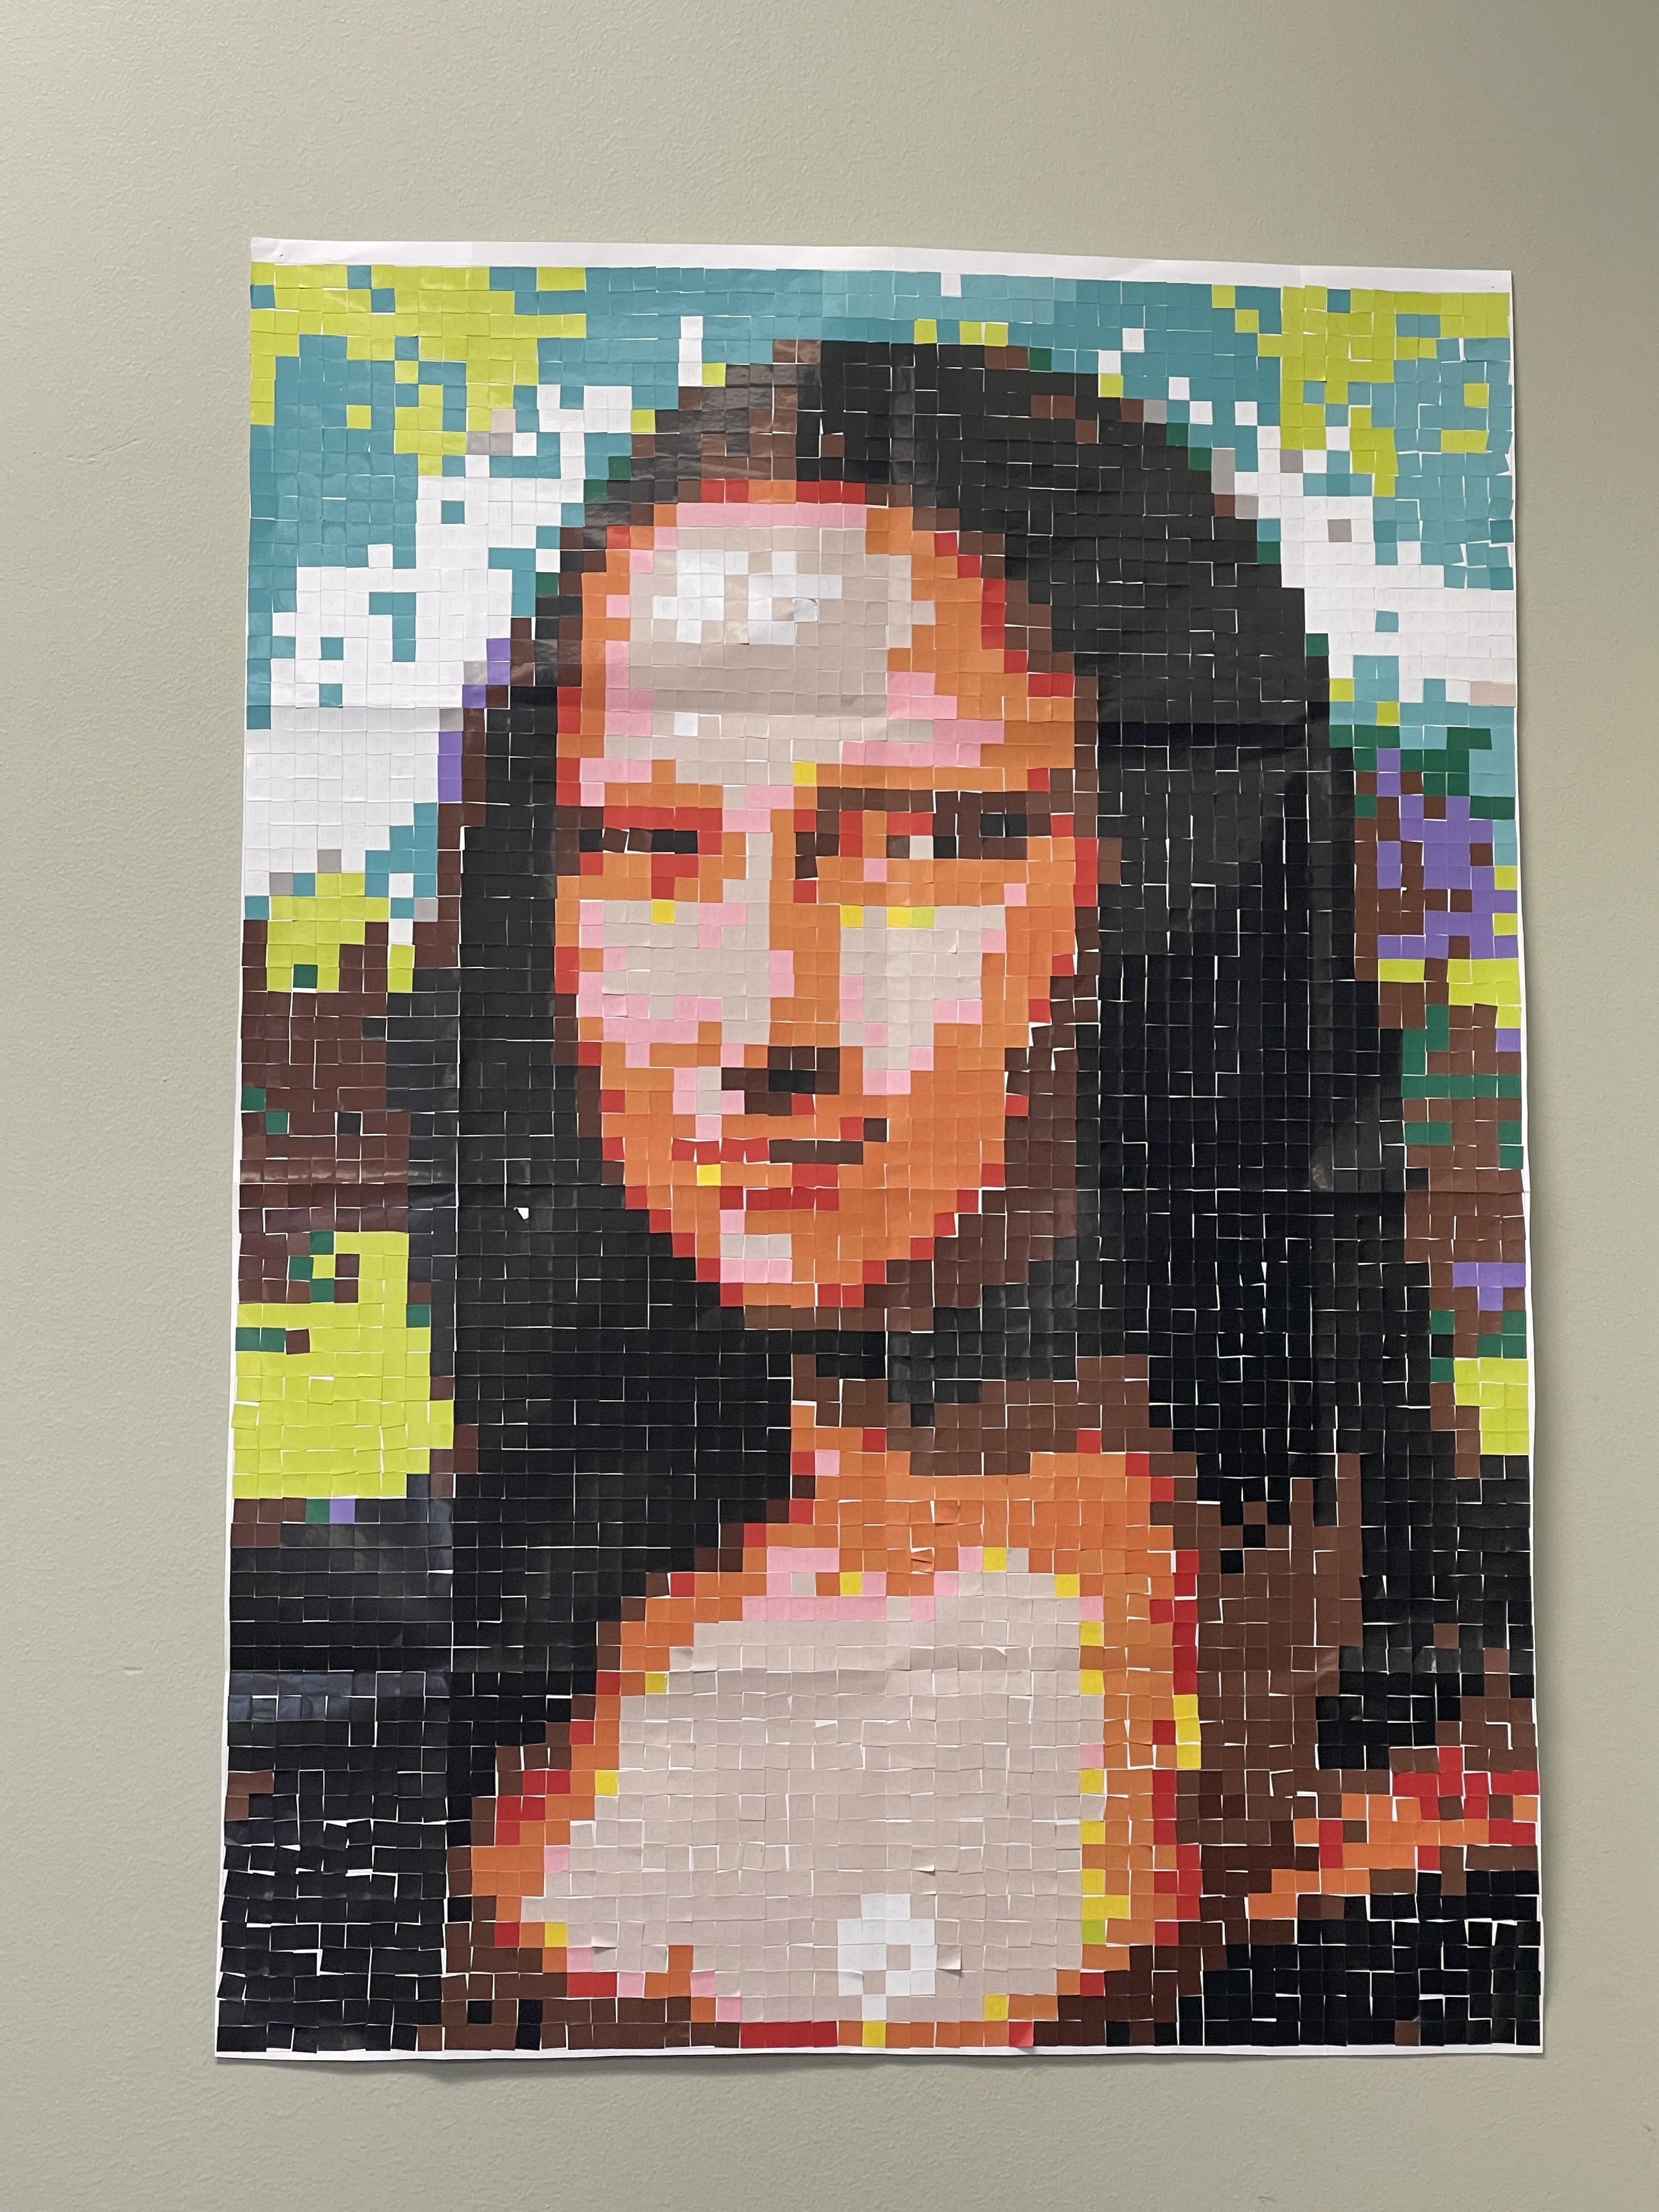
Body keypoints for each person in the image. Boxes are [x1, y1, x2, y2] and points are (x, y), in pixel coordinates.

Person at [418, 343, 1538, 2050]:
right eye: (645, 846)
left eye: (918, 841)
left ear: (1176, 876)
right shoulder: (455, 1737)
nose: (761, 1021)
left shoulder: (1453, 1818)